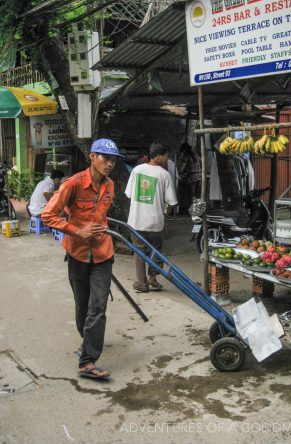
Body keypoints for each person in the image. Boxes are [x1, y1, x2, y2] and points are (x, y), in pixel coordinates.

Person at [42, 139, 124, 380]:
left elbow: (104, 216)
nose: (109, 164)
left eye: (113, 160)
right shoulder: (73, 184)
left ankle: (87, 361)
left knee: (98, 307)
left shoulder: (110, 186)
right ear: (92, 157)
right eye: (105, 158)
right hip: (77, 253)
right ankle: (87, 340)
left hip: (102, 254)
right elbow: (47, 215)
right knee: (83, 306)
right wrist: (77, 231)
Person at [125, 141, 178, 293]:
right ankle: (153, 279)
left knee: (139, 251)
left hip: (136, 220)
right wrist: (164, 214)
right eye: (166, 156)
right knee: (156, 250)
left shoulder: (136, 171)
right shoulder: (164, 175)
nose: (167, 159)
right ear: (158, 155)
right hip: (155, 221)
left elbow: (129, 194)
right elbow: (172, 201)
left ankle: (141, 283)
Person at [177, 143, 201, 210]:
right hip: (199, 176)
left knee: (192, 195)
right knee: (197, 194)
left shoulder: (186, 156)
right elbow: (200, 163)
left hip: (192, 177)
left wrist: (179, 171)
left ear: (184, 150)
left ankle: (195, 211)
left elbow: (181, 169)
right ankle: (199, 211)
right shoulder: (196, 154)